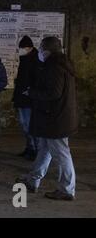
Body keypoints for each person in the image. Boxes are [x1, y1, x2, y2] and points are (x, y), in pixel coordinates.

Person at [16, 37, 78, 201]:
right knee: (45, 149)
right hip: (53, 118)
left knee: (62, 154)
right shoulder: (60, 64)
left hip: (55, 120)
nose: (40, 52)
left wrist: (32, 93)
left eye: (41, 49)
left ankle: (67, 189)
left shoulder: (54, 67)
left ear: (47, 51)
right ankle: (33, 181)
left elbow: (53, 93)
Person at [13, 36, 39, 161]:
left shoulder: (35, 60)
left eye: (23, 48)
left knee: (29, 125)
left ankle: (35, 150)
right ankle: (29, 148)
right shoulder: (25, 59)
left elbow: (35, 79)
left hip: (28, 99)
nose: (21, 50)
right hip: (22, 97)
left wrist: (29, 91)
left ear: (29, 48)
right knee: (25, 125)